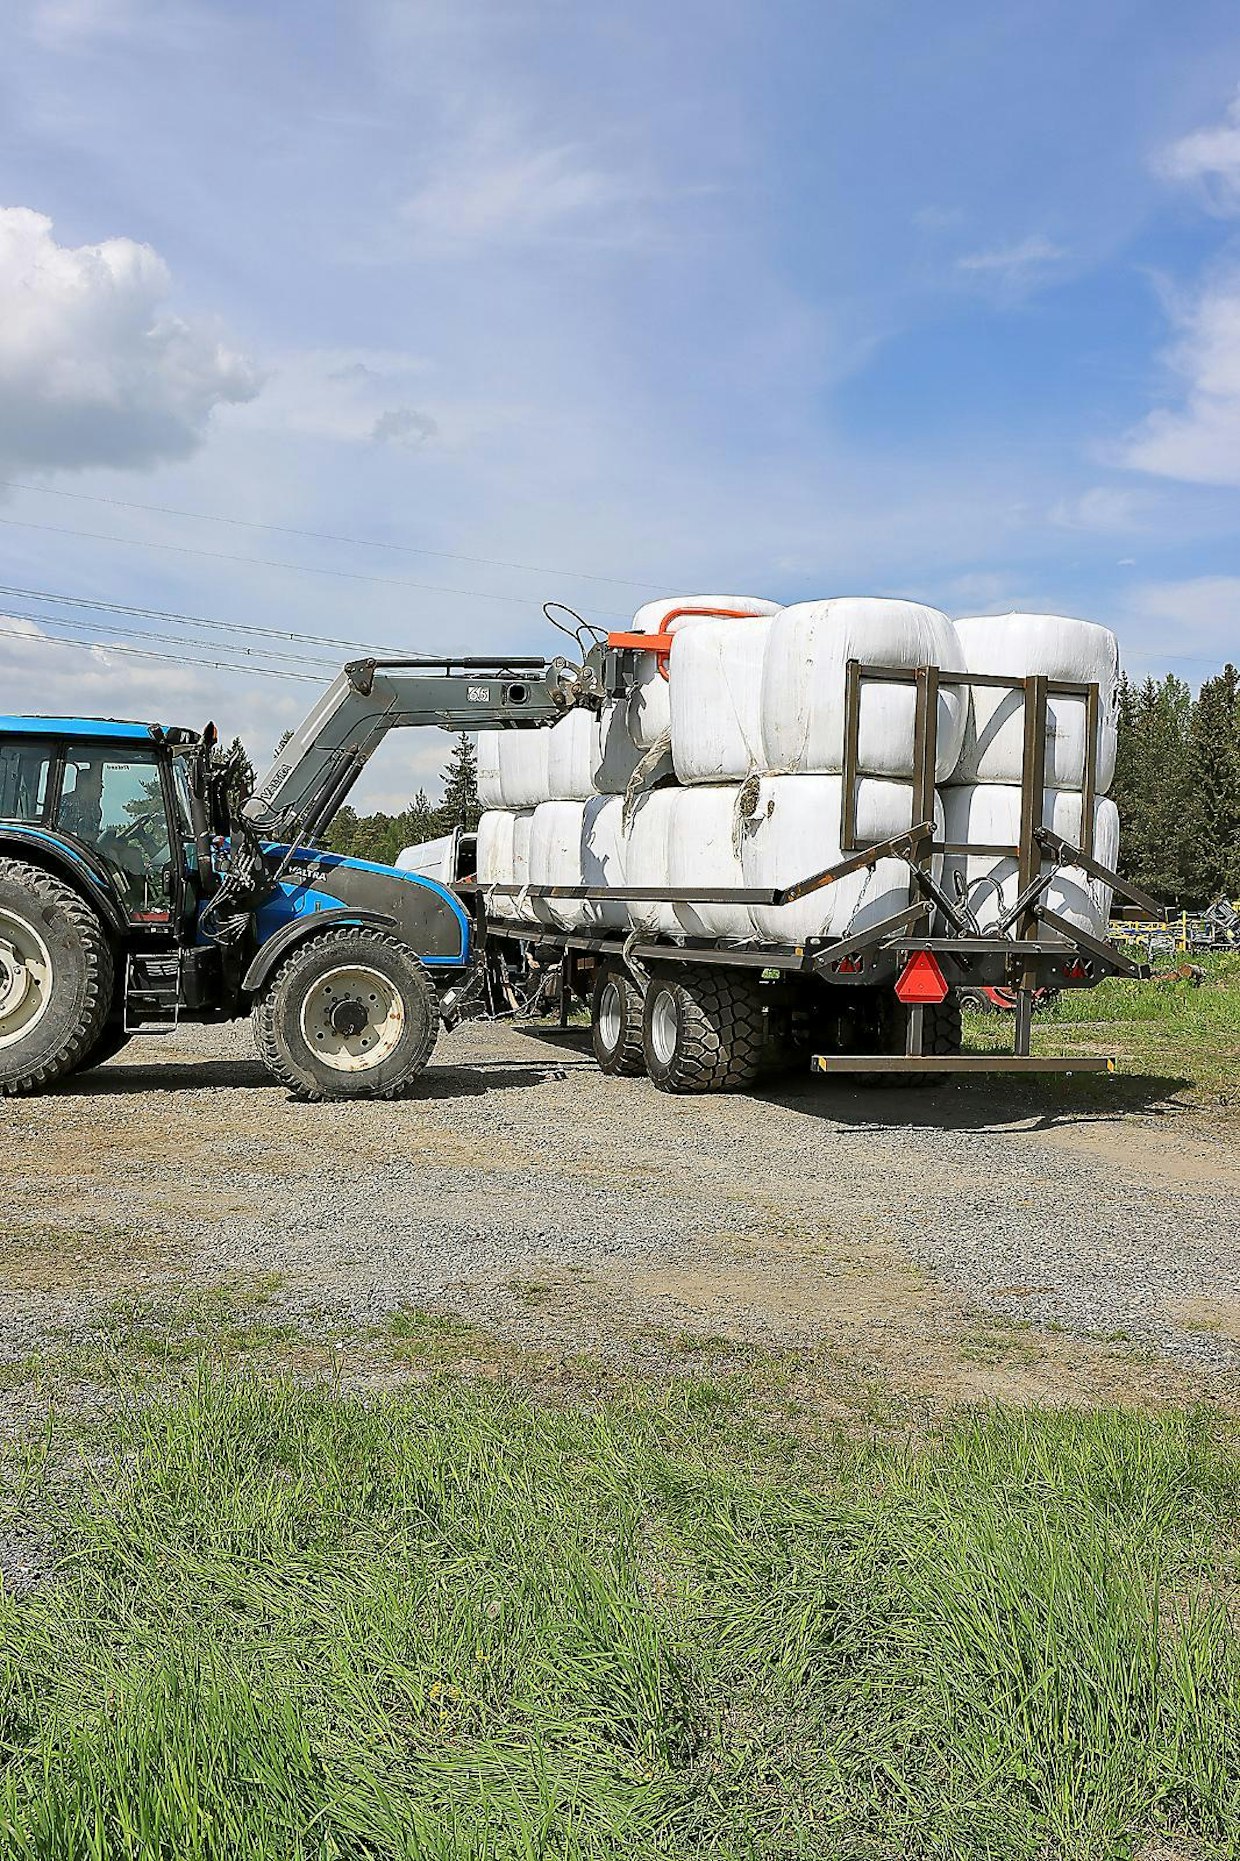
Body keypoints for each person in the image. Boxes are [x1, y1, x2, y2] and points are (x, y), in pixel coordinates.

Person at [59, 762, 105, 843]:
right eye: (97, 783)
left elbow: (94, 834)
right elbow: (57, 831)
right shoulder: (67, 802)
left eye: (101, 783)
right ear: (84, 785)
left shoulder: (96, 808)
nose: (102, 787)